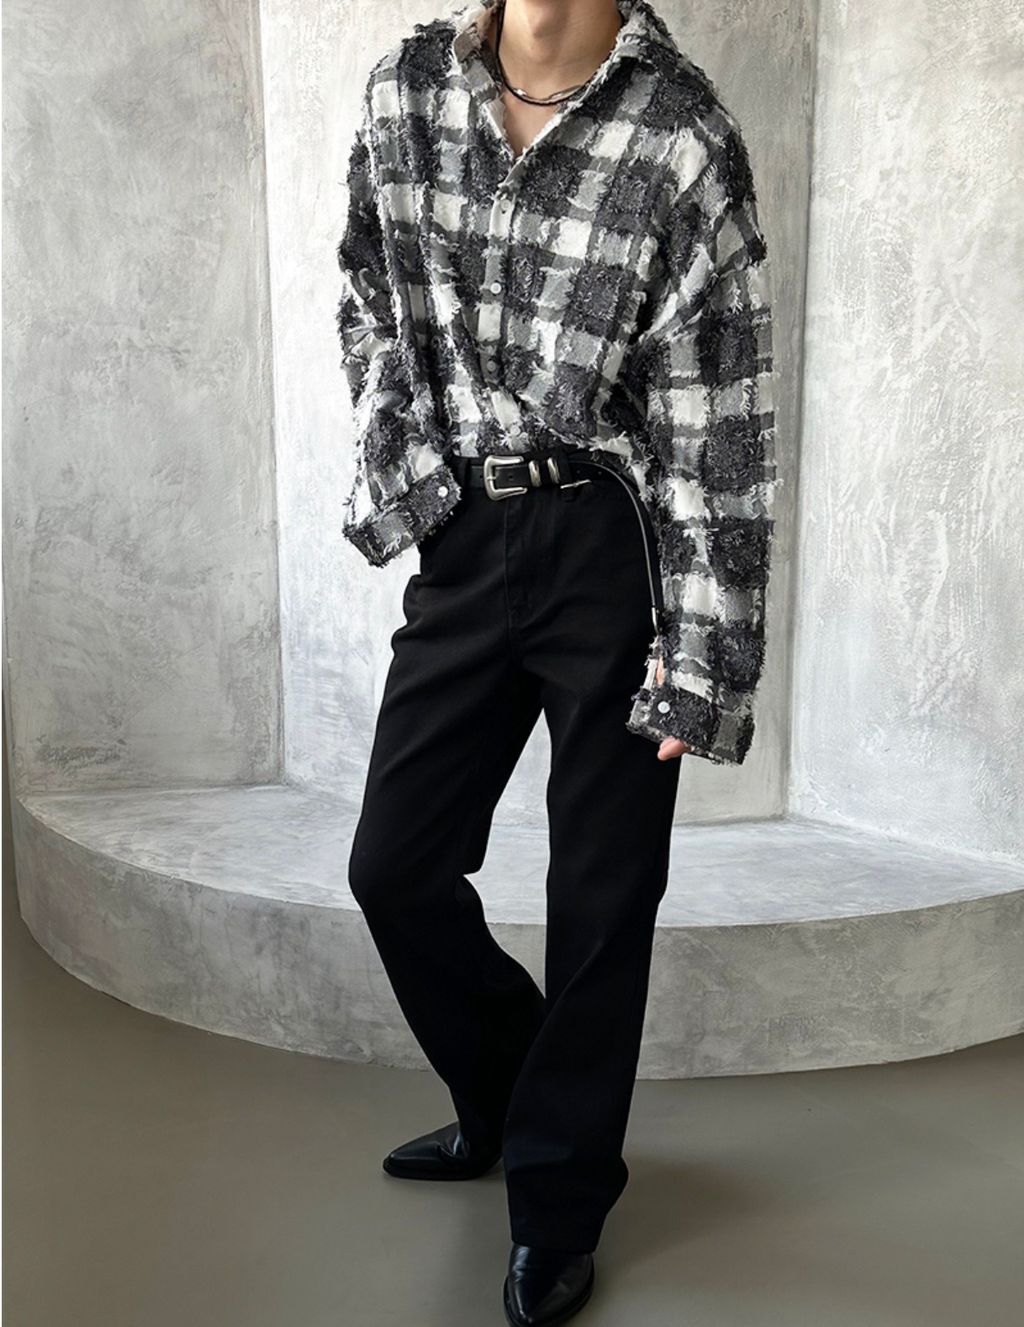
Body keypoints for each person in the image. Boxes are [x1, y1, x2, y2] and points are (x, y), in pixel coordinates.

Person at [335, 1, 779, 1321]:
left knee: (602, 895)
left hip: (612, 548)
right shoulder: (408, 91)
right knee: (394, 865)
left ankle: (559, 1195)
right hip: (468, 538)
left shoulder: (683, 133)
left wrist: (702, 650)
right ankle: (513, 1093)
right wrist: (413, 472)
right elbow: (368, 294)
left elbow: (719, 414)